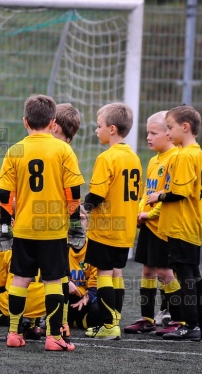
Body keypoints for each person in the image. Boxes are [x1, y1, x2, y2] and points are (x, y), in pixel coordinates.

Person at [0, 94, 84, 351]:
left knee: (20, 279)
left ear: (25, 121)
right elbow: (73, 190)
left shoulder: (15, 150)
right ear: (53, 122)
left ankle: (13, 332)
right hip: (53, 230)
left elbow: (5, 194)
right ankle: (53, 336)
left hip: (23, 228)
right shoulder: (63, 149)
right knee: (54, 281)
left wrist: (4, 227)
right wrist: (76, 223)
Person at [146, 105, 202, 341]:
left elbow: (179, 192)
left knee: (185, 277)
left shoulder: (183, 155)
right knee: (194, 275)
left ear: (185, 127)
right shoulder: (197, 152)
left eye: (170, 127)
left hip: (181, 224)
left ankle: (190, 324)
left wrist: (158, 196)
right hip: (192, 222)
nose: (168, 131)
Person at [83, 102, 143, 340]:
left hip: (106, 228)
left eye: (99, 126)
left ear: (112, 129)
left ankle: (109, 326)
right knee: (116, 273)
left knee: (104, 274)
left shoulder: (107, 158)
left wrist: (79, 209)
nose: (96, 130)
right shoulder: (134, 158)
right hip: (125, 229)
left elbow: (97, 195)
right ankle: (115, 321)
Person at [123, 111, 182, 335]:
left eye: (153, 132)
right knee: (147, 271)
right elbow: (146, 193)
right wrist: (140, 212)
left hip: (164, 226)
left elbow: (169, 195)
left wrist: (151, 214)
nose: (148, 137)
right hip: (149, 225)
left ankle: (178, 319)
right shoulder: (153, 160)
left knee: (165, 273)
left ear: (169, 134)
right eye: (147, 132)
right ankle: (146, 318)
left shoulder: (175, 158)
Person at [0, 203, 46, 341]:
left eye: (11, 218)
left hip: (17, 291)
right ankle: (24, 321)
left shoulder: (20, 245)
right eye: (4, 219)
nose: (10, 221)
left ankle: (24, 323)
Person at [51, 102, 83, 342]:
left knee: (52, 277)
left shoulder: (56, 152)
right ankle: (59, 325)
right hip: (56, 226)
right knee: (57, 276)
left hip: (43, 226)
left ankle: (57, 324)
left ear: (55, 126)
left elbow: (72, 193)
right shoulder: (66, 152)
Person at [66, 205, 100, 330]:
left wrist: (89, 296)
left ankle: (74, 321)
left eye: (81, 219)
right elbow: (48, 275)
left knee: (97, 311)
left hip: (87, 296)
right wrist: (66, 282)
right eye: (72, 220)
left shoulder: (94, 247)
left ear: (88, 224)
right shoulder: (61, 245)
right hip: (68, 295)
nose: (77, 223)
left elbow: (96, 281)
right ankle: (71, 320)